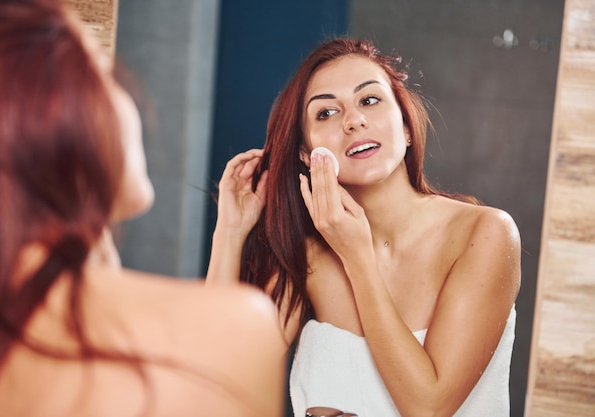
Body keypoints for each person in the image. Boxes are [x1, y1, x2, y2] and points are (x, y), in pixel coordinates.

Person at [0, 0, 286, 416]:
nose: (131, 95)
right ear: (33, 114)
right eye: (100, 68)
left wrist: (230, 231)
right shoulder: (244, 326)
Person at [209, 38, 521, 416]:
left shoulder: (484, 234)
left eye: (369, 100)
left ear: (406, 127)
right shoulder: (308, 259)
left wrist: (357, 257)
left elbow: (428, 407)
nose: (353, 120)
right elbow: (216, 381)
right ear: (307, 154)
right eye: (326, 113)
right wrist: (229, 231)